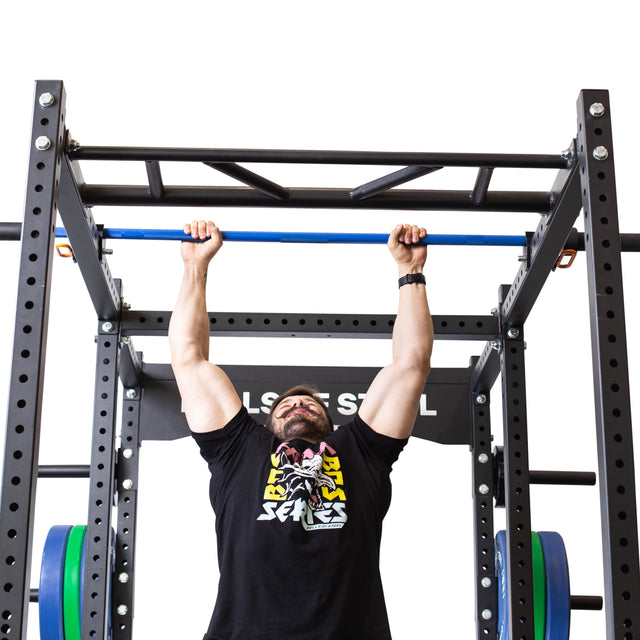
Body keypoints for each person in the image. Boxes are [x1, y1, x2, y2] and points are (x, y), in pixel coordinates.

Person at [169, 220, 434, 640]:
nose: (297, 405)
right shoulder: (237, 450)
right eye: (287, 404)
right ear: (269, 423)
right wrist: (195, 266)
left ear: (329, 424)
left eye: (309, 403)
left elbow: (411, 364)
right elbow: (188, 358)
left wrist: (410, 272)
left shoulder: (361, 451)